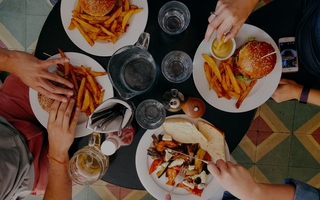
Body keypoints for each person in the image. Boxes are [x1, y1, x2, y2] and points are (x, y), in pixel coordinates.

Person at [0, 48, 80, 199]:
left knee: (63, 55)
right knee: (106, 147)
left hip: (6, 113)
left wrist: (10, 61)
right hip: (31, 174)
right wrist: (58, 154)